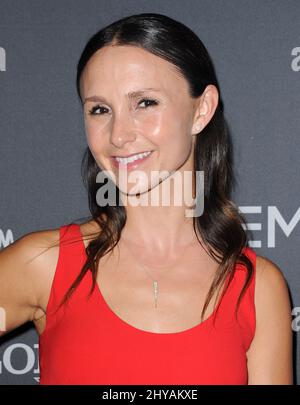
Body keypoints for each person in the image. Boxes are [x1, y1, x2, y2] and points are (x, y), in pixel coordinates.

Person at [0, 12, 293, 385]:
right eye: (100, 110)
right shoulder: (43, 266)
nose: (119, 134)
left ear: (200, 110)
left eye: (145, 103)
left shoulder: (257, 289)